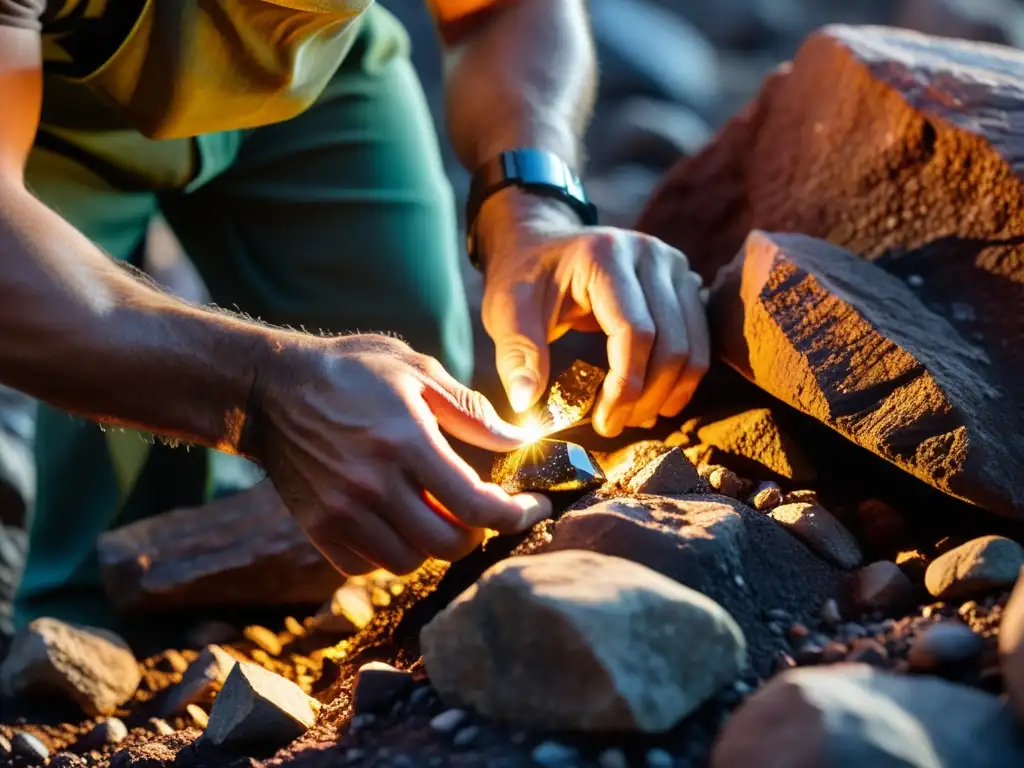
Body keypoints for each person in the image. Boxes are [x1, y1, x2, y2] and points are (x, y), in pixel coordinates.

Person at [0, 0, 709, 630]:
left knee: (414, 426)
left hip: (310, 65)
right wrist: (258, 394)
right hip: (47, 100)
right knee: (70, 557)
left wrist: (532, 203)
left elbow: (497, 9)